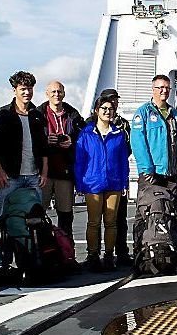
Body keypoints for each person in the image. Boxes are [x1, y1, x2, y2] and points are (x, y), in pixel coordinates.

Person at [75, 95, 130, 272]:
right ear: (97, 111)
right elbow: (79, 160)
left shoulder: (118, 135)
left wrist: (124, 183)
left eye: (110, 109)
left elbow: (123, 161)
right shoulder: (86, 134)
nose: (107, 112)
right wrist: (80, 183)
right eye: (104, 108)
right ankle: (93, 256)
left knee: (111, 222)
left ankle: (108, 255)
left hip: (114, 183)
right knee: (93, 222)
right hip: (93, 183)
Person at [0, 71, 48, 215]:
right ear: (14, 90)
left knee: (35, 216)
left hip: (34, 176)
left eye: (29, 88)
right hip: (9, 177)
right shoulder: (1, 115)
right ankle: (2, 239)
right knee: (4, 215)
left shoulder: (38, 116)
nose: (27, 92)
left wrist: (44, 171)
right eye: (23, 89)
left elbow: (43, 147)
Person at [90, 88, 134, 265]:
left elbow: (128, 149)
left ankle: (119, 252)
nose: (112, 104)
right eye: (108, 101)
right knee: (95, 220)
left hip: (115, 177)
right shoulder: (90, 125)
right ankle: (94, 255)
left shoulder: (123, 125)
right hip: (95, 180)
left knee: (118, 218)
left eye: (115, 100)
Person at [130, 74, 177, 209]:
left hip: (173, 174)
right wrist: (147, 169)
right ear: (153, 89)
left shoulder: (174, 114)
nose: (164, 91)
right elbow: (138, 143)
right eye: (160, 87)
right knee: (147, 213)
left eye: (167, 88)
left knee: (173, 214)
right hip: (153, 174)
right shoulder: (143, 113)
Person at [39, 81, 83, 240]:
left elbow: (83, 137)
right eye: (53, 92)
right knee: (38, 215)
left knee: (65, 216)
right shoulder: (38, 114)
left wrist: (72, 140)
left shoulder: (74, 114)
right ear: (47, 94)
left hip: (65, 172)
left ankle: (67, 254)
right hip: (43, 173)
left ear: (64, 93)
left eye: (59, 91)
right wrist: (45, 140)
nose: (56, 95)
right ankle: (41, 252)